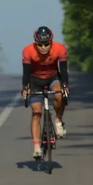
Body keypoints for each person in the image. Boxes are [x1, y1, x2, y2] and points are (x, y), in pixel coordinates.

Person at [21, 26, 69, 159]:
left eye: (47, 44)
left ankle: (58, 120)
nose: (43, 47)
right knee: (36, 112)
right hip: (35, 80)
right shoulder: (28, 51)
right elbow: (26, 73)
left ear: (51, 42)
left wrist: (65, 86)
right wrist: (25, 87)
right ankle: (36, 147)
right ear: (35, 43)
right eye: (40, 44)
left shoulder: (60, 49)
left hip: (53, 77)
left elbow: (64, 71)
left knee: (59, 95)